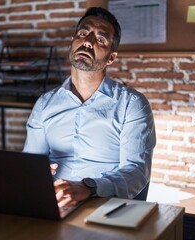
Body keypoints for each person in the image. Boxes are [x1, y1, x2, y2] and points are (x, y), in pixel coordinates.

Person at [23, 7, 156, 207]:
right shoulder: (45, 104)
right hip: (54, 203)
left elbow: (136, 172)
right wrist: (35, 172)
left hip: (104, 204)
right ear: (72, 43)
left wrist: (89, 188)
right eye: (83, 33)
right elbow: (30, 164)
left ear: (111, 57)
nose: (88, 41)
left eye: (100, 39)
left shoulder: (132, 105)